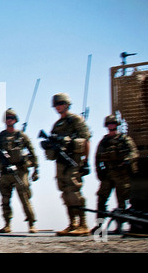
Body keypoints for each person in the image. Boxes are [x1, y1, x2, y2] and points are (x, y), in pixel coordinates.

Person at [0, 108, 39, 233]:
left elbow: (33, 152)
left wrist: (35, 168)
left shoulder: (21, 136)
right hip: (5, 172)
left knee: (24, 198)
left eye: (11, 118)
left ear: (15, 120)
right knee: (5, 200)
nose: (9, 120)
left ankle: (32, 224)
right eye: (7, 118)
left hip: (20, 172)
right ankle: (7, 225)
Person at [48, 93, 91, 236]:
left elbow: (86, 139)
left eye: (61, 103)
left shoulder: (75, 120)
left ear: (67, 104)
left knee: (74, 190)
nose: (58, 106)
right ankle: (72, 223)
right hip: (61, 162)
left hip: (74, 160)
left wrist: (86, 161)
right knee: (65, 191)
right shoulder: (57, 125)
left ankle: (83, 224)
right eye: (56, 104)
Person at [93, 115, 138, 233]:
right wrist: (99, 172)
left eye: (113, 123)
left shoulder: (124, 139)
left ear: (116, 125)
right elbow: (97, 159)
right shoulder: (104, 142)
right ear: (106, 126)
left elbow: (134, 153)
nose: (111, 125)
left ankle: (120, 227)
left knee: (121, 201)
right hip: (108, 175)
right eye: (109, 124)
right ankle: (99, 226)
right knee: (101, 199)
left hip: (121, 174)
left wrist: (128, 160)